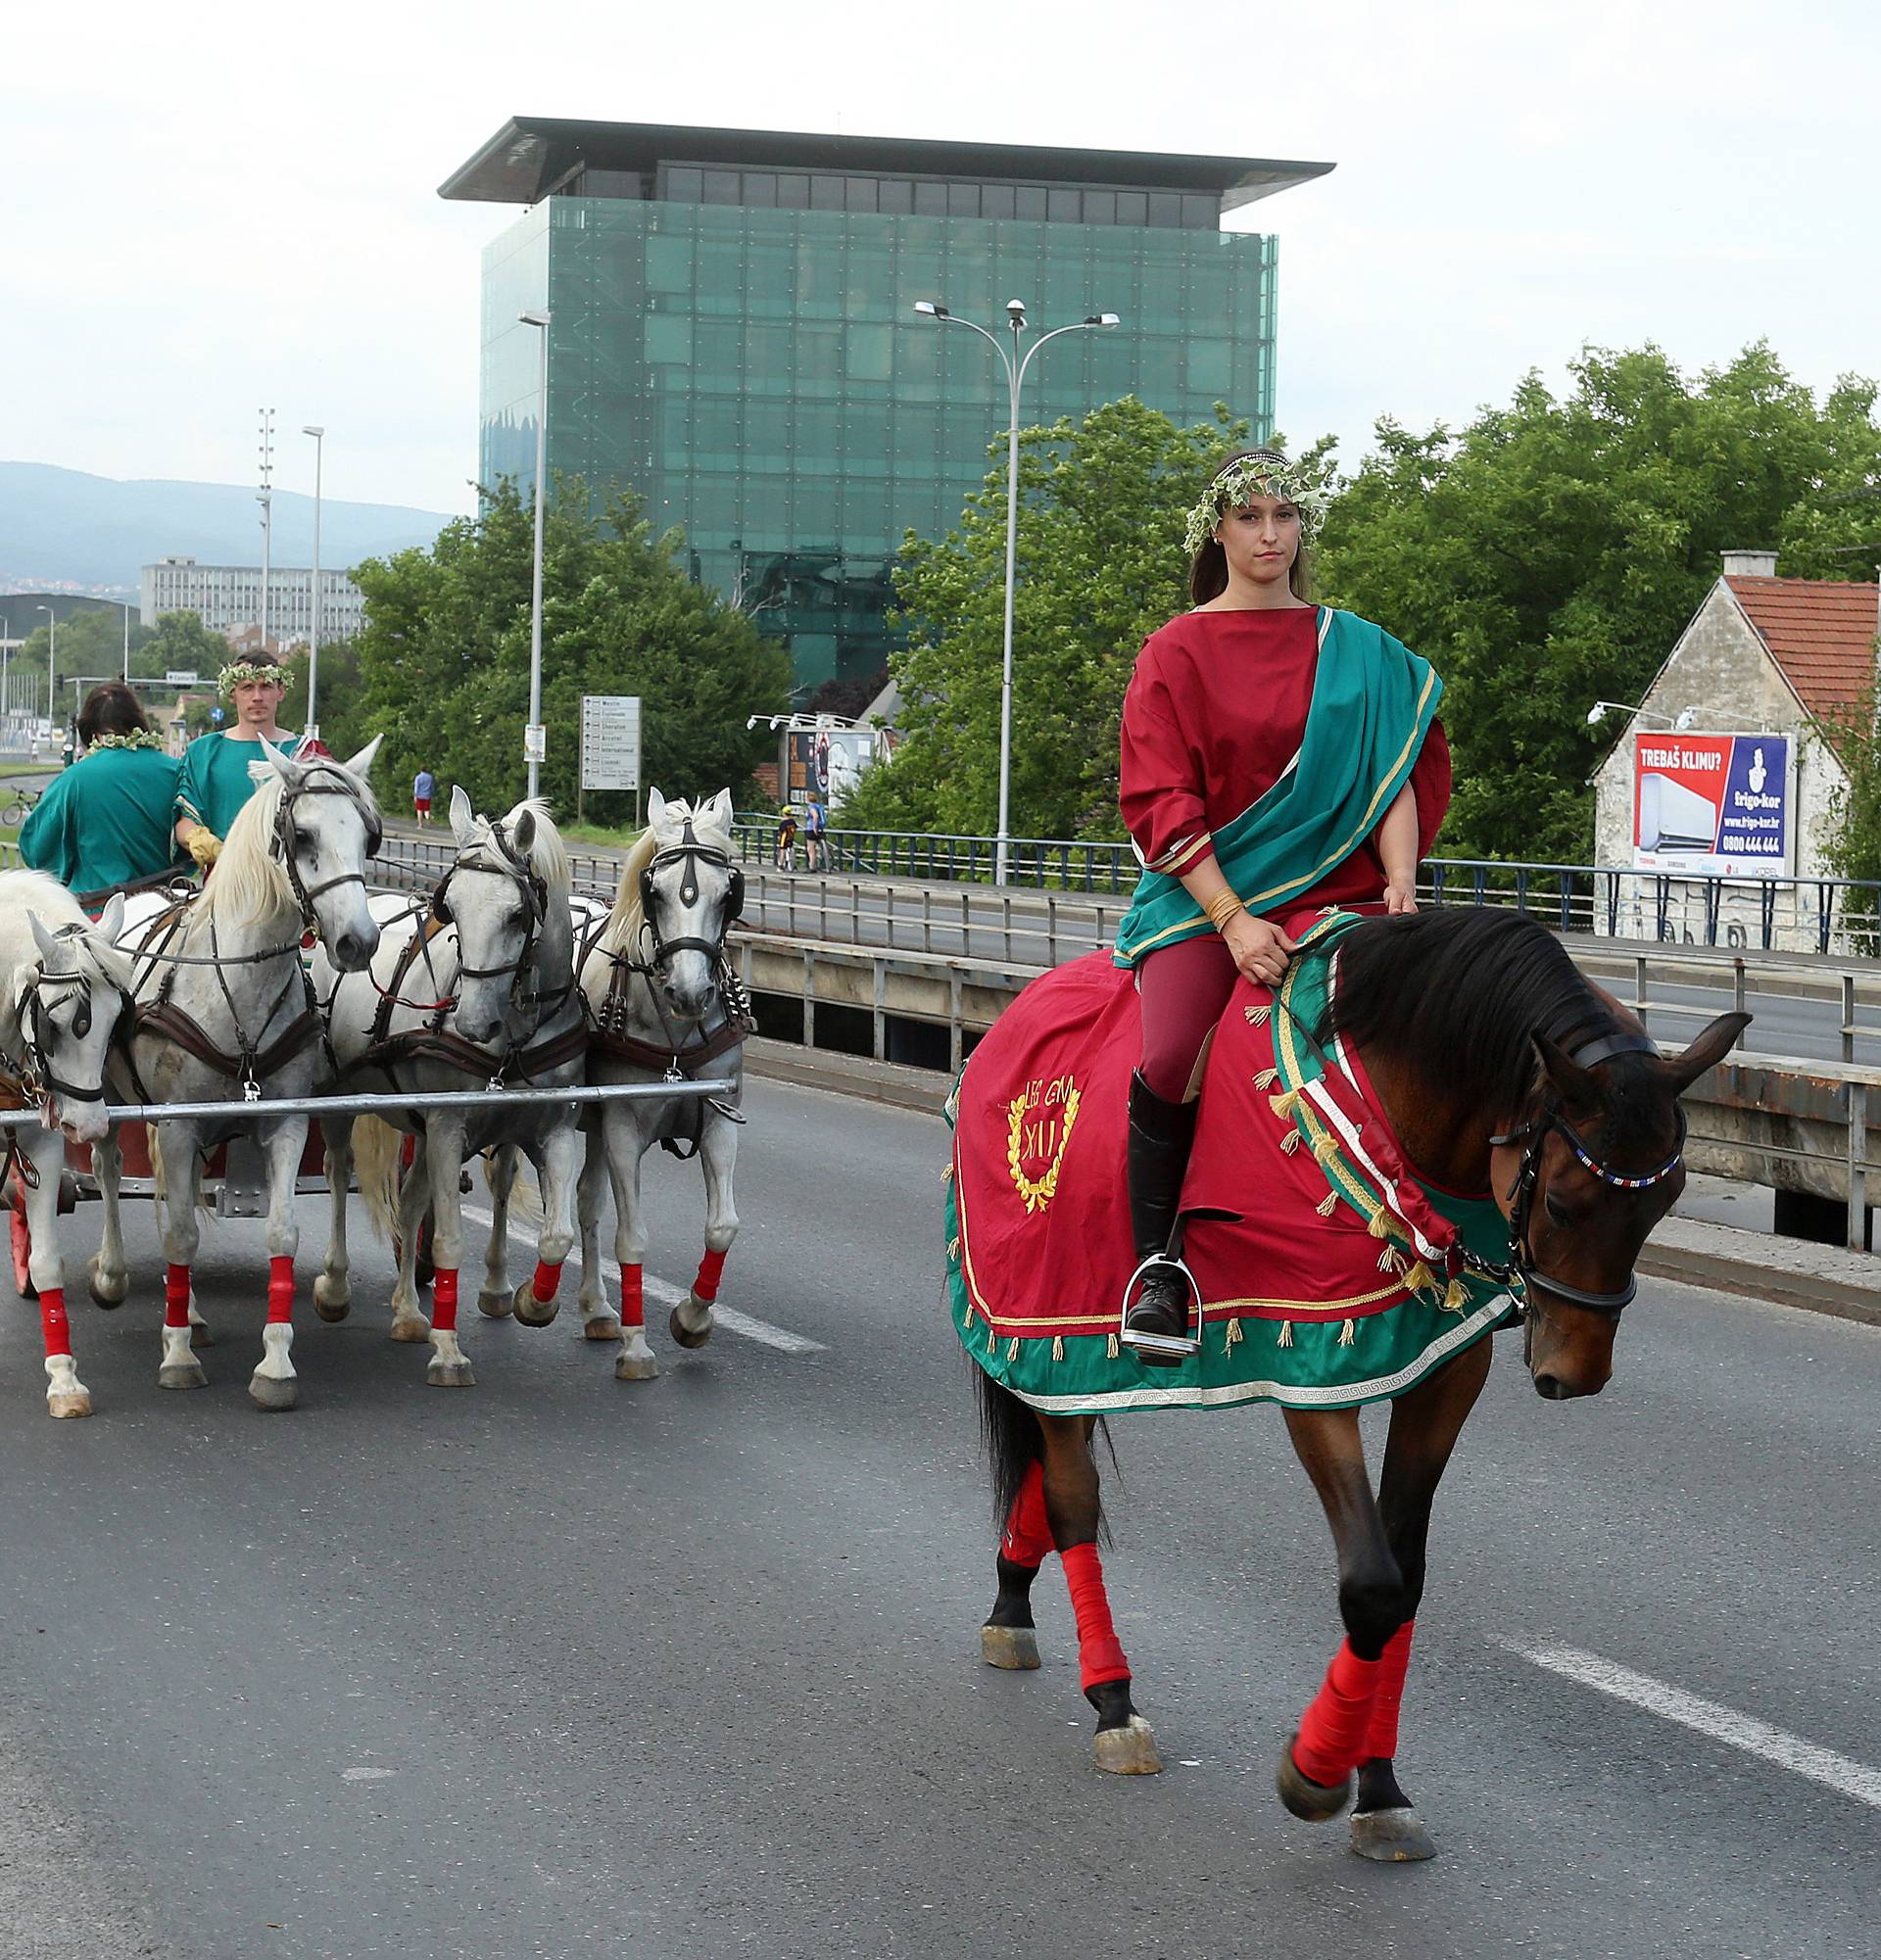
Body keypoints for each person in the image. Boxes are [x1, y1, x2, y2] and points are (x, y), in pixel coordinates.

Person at [1113, 450, 1451, 1362]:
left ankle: (1466, 1245)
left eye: (1285, 515)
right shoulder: (1172, 652)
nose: (1271, 534)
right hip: (1204, 900)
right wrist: (1230, 918)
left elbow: (1388, 778)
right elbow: (1161, 800)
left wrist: (1403, 883)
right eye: (1250, 516)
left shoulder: (1360, 648)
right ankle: (1157, 1269)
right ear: (1215, 531)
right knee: (1178, 1049)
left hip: (1343, 891)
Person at [20, 683, 187, 903]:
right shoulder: (176, 772)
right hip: (165, 910)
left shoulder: (75, 779)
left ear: (91, 732)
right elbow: (190, 847)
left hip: (96, 912)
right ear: (138, 724)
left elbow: (36, 851)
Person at [174, 653, 325, 872]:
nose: (257, 697)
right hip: (226, 885)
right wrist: (201, 841)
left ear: (280, 692)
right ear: (232, 694)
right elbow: (184, 821)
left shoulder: (308, 753)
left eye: (265, 687)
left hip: (294, 888)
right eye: (247, 687)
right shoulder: (203, 753)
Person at [773, 807, 799, 871]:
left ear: (784, 814)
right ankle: (793, 866)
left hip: (783, 839)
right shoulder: (792, 821)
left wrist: (779, 837)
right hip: (790, 838)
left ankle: (781, 866)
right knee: (791, 851)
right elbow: (795, 828)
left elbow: (780, 831)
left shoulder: (783, 823)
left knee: (782, 851)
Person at [803, 795, 826, 872]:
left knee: (811, 849)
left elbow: (815, 816)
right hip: (821, 828)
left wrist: (814, 827)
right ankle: (819, 864)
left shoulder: (811, 807)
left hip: (811, 829)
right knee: (817, 848)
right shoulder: (819, 806)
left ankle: (812, 867)